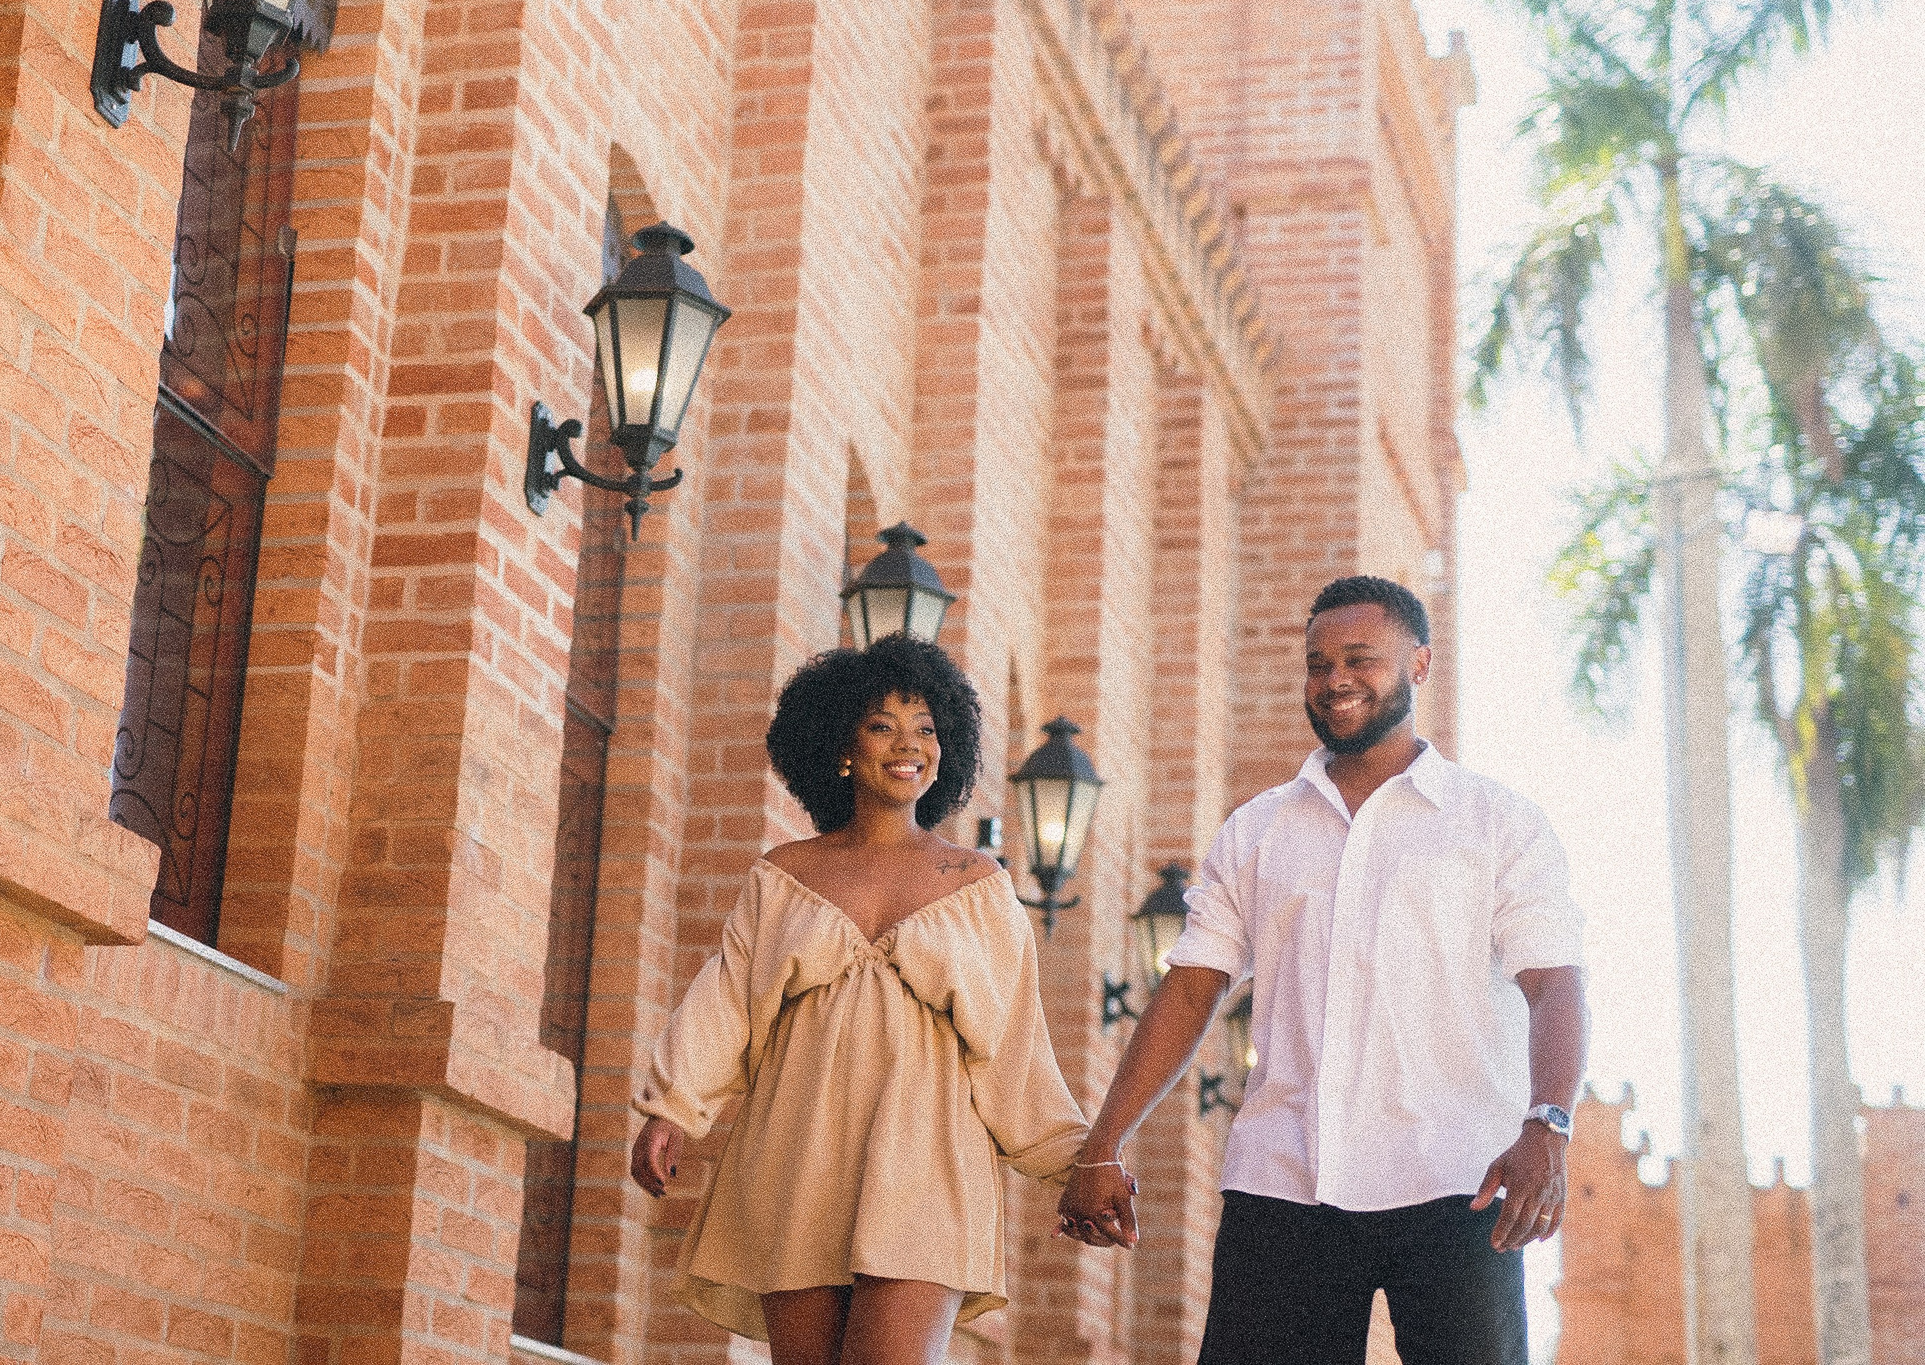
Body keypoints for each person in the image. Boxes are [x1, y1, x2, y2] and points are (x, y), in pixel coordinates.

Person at [1058, 575, 1588, 1365]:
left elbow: (1555, 985)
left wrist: (1548, 1120)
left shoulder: (1497, 822)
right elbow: (1193, 984)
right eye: (1317, 662)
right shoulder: (1259, 828)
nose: (1334, 678)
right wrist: (1104, 1140)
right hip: (1284, 1186)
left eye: (1359, 658)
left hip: (1460, 1183)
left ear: (1419, 664)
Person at [630, 635, 1087, 1365]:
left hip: (930, 1166)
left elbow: (1015, 1047)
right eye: (882, 725)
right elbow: (727, 1002)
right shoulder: (785, 876)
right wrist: (671, 1111)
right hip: (797, 1155)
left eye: (926, 727)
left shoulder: (977, 884)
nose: (909, 744)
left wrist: (1081, 1164)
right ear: (841, 744)